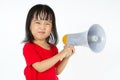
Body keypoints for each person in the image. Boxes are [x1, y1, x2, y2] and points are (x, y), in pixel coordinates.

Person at [23, 4, 75, 80]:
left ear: (52, 28)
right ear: (29, 25)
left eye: (47, 23)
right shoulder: (29, 47)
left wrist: (66, 57)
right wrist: (61, 54)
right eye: (38, 22)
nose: (42, 27)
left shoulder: (53, 48)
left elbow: (57, 71)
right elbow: (40, 67)